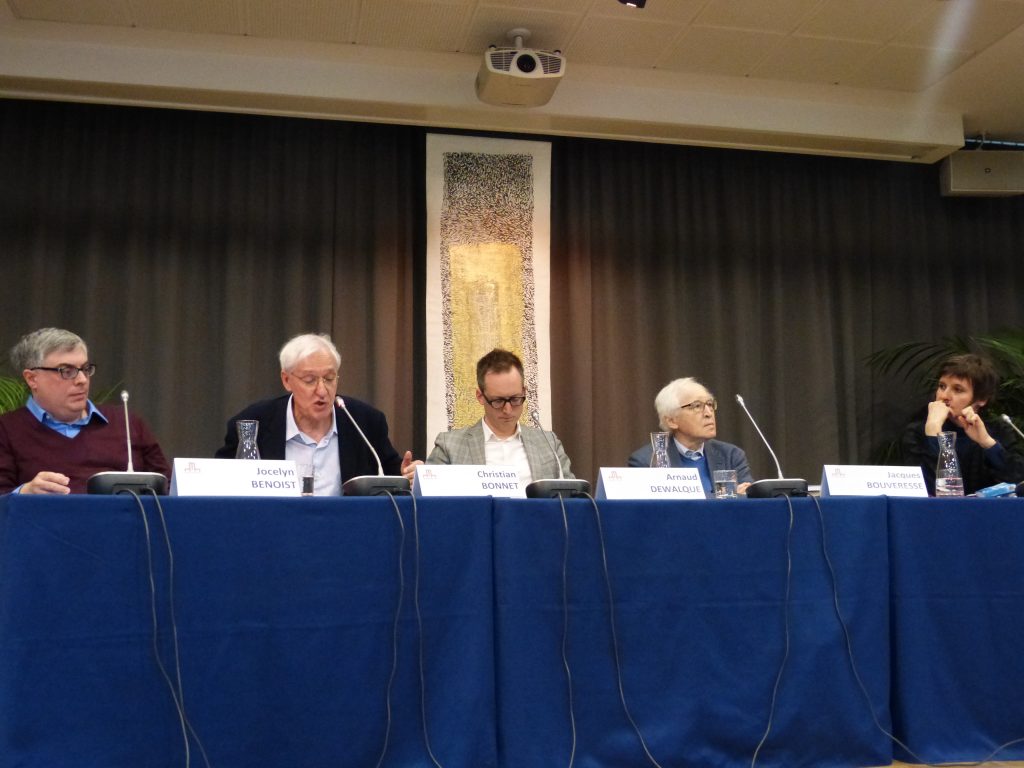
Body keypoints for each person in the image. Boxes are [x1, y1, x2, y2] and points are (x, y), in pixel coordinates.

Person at [216, 333, 413, 494]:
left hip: (347, 527)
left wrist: (409, 476)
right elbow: (218, 482)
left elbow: (392, 475)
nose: (322, 390)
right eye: (310, 380)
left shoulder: (364, 421)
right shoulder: (254, 424)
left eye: (329, 378)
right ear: (286, 380)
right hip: (274, 527)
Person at [0, 327, 170, 494]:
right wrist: (24, 493)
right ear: (32, 379)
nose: (82, 380)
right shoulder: (6, 430)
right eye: (67, 371)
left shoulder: (126, 423)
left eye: (86, 369)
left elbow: (170, 488)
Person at [415, 348, 575, 483]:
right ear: (480, 396)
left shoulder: (548, 443)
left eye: (515, 399)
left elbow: (573, 496)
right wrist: (416, 479)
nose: (508, 409)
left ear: (524, 392)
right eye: (498, 401)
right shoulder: (450, 445)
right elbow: (429, 494)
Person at [900, 353, 1024, 495]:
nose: (944, 396)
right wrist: (934, 434)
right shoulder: (918, 432)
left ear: (982, 399)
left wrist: (988, 443)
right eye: (942, 386)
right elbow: (922, 488)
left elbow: (1018, 483)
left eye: (957, 389)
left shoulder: (999, 431)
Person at [628, 377, 753, 497]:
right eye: (697, 406)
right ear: (672, 420)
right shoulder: (646, 461)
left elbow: (750, 499)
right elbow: (659, 507)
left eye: (710, 404)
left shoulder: (731, 455)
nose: (708, 413)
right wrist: (726, 495)